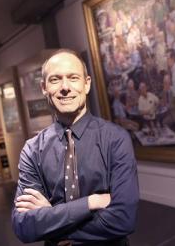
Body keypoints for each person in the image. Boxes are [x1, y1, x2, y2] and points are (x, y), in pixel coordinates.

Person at [12, 49, 139, 246]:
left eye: (73, 78)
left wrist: (53, 221)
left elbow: (123, 219)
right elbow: (24, 226)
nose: (65, 87)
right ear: (44, 87)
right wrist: (91, 202)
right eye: (55, 79)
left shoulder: (115, 139)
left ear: (86, 84)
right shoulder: (32, 150)